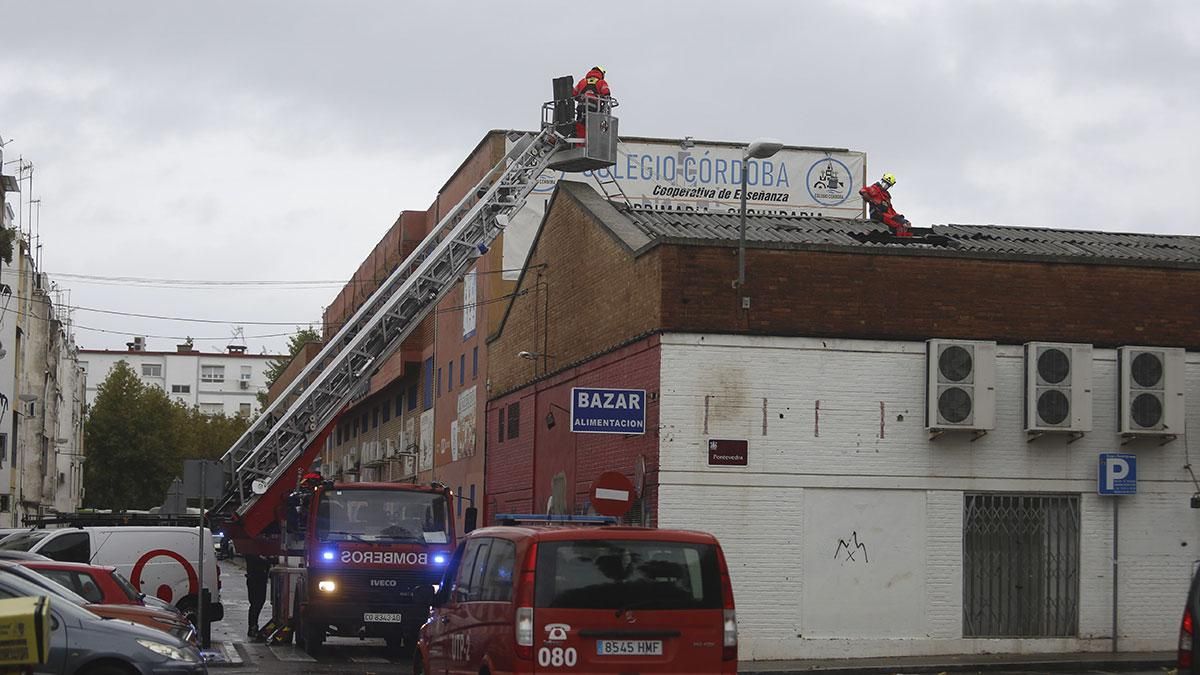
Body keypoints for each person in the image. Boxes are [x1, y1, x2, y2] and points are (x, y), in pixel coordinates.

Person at [572, 66, 611, 138]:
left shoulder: (582, 81)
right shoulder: (601, 82)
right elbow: (606, 93)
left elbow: (574, 94)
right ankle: (590, 141)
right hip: (594, 108)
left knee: (580, 125)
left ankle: (580, 143)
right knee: (594, 128)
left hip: (581, 107)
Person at [245, 553, 273, 638]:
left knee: (258, 603)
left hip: (260, 579)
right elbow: (257, 560)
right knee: (256, 603)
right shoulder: (251, 552)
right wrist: (268, 560)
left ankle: (253, 626)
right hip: (255, 579)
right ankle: (252, 627)